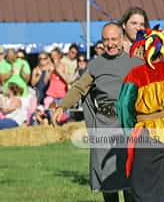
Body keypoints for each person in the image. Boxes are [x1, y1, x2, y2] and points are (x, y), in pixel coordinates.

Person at [53, 22, 141, 202]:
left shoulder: (136, 63)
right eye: (106, 40)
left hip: (128, 126)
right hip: (104, 126)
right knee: (107, 181)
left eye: (114, 39)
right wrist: (62, 106)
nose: (110, 44)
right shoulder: (95, 65)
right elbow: (79, 88)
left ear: (122, 39)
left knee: (130, 181)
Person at [117, 26, 164, 202]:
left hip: (149, 133)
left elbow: (123, 107)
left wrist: (130, 131)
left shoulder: (136, 75)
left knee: (144, 189)